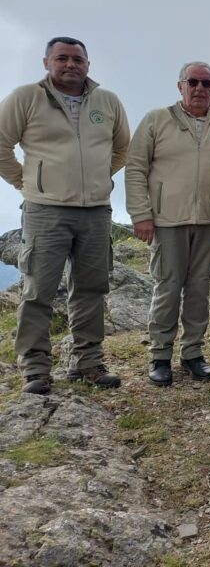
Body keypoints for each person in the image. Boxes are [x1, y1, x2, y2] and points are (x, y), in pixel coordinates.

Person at [0, 37, 130, 393]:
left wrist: (99, 178)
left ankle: (87, 363)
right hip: (46, 211)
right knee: (38, 290)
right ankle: (35, 368)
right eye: (62, 58)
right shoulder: (26, 98)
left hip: (95, 211)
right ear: (47, 62)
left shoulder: (107, 101)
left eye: (77, 59)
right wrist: (27, 182)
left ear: (88, 64)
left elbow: (122, 148)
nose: (70, 64)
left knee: (91, 289)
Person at [125, 62, 210, 386]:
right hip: (167, 221)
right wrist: (141, 214)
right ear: (180, 86)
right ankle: (160, 355)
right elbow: (135, 168)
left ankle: (193, 353)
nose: (199, 88)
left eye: (206, 83)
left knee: (199, 290)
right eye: (193, 82)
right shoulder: (156, 120)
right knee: (167, 288)